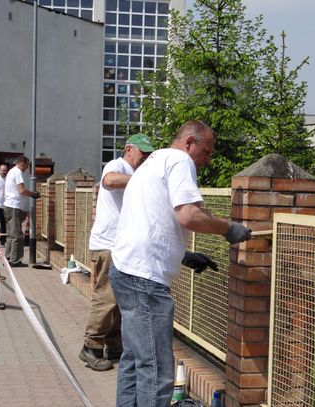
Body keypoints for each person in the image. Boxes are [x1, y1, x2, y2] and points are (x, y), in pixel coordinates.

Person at [109, 120, 252, 407]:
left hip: (126, 269)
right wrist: (228, 228)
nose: (208, 161)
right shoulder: (179, 160)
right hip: (144, 280)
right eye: (207, 152)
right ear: (189, 142)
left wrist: (182, 255)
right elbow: (189, 215)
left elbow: (152, 220)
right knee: (157, 369)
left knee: (134, 359)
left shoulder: (154, 161)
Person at [79, 133, 154, 372]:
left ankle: (113, 347)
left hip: (121, 246)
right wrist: (141, 178)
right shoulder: (117, 165)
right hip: (108, 245)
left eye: (148, 155)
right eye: (142, 153)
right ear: (129, 149)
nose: (145, 158)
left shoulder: (134, 173)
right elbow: (109, 181)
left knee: (119, 299)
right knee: (107, 297)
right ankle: (90, 347)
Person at [3, 156, 40, 267]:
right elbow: (22, 190)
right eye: (27, 165)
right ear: (22, 163)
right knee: (17, 235)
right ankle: (15, 260)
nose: (27, 168)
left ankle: (8, 257)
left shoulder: (10, 172)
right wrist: (33, 194)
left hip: (8, 206)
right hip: (14, 206)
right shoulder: (18, 172)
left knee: (10, 234)